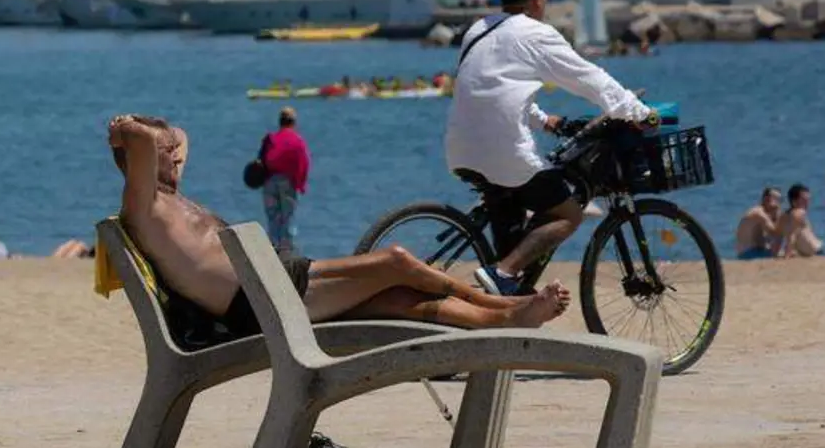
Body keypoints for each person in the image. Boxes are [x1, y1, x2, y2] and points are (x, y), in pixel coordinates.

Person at [108, 113, 570, 338]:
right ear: (138, 161)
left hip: (271, 286)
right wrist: (126, 128)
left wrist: (164, 137)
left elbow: (178, 135)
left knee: (398, 299)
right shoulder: (143, 203)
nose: (176, 154)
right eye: (166, 152)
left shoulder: (171, 197)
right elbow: (143, 141)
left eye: (173, 150)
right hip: (262, 300)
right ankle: (499, 301)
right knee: (397, 260)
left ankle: (501, 320)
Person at [445, 0, 656, 295]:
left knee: (513, 217)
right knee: (568, 214)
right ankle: (503, 272)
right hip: (503, 154)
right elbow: (590, 79)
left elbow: (491, 91)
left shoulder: (477, 29)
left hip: (459, 148)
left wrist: (544, 121)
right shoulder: (536, 34)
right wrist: (640, 112)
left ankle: (506, 294)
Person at [260, 107, 311, 255]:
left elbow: (262, 160)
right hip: (288, 183)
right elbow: (304, 163)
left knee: (272, 218)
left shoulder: (271, 139)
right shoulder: (298, 141)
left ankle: (273, 250)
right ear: (294, 122)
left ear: (280, 122)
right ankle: (287, 253)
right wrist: (301, 185)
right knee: (288, 218)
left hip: (269, 182)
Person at [776, 184, 825, 258]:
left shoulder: (783, 216)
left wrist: (776, 253)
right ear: (794, 201)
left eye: (808, 200)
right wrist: (787, 255)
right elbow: (792, 236)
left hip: (817, 250)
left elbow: (778, 237)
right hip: (820, 250)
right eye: (804, 200)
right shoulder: (799, 213)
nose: (807, 203)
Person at [734, 188, 781, 259]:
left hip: (751, 251)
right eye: (775, 200)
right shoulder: (759, 213)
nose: (778, 204)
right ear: (766, 199)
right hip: (748, 254)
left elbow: (761, 241)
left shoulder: (763, 213)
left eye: (779, 200)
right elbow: (775, 233)